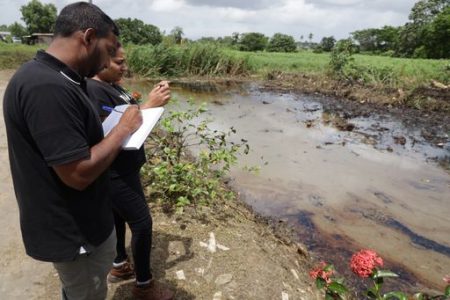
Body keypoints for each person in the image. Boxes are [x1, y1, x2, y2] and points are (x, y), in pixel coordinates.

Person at [3, 3, 143, 300]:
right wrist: (123, 129)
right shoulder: (46, 87)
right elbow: (77, 174)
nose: (109, 59)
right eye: (109, 48)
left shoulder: (60, 78)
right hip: (76, 235)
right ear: (88, 37)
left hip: (83, 226)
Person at [86, 44, 173, 300]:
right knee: (143, 224)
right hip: (114, 172)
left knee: (117, 217)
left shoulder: (112, 86)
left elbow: (128, 116)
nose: (125, 67)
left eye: (125, 62)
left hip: (124, 167)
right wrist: (149, 104)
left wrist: (147, 103)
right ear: (102, 62)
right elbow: (111, 132)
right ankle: (144, 286)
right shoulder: (93, 91)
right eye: (119, 63)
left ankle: (119, 265)